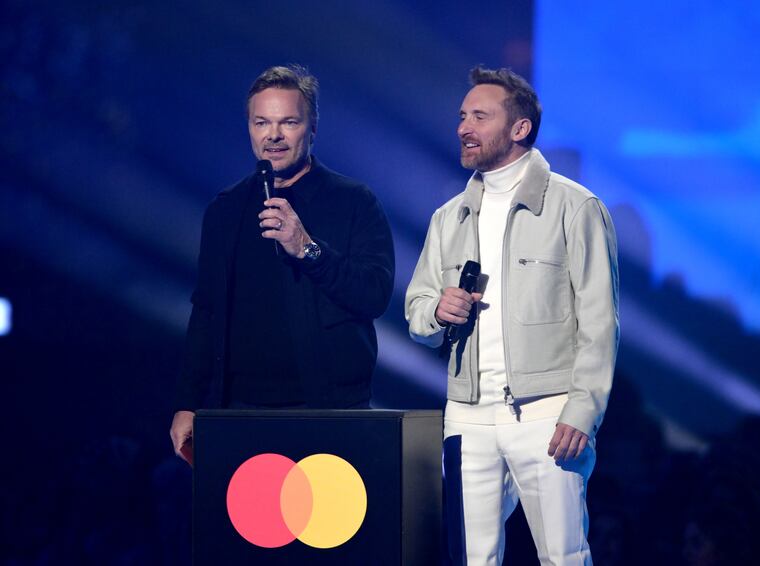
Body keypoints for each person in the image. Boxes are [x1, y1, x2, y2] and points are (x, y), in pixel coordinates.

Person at [405, 67, 618, 565]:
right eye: (462, 116)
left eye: (480, 115)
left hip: (548, 411)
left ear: (519, 128)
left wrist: (582, 410)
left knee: (563, 555)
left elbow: (600, 319)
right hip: (468, 414)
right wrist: (437, 309)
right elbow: (416, 310)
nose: (464, 127)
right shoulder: (448, 216)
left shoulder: (574, 206)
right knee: (470, 558)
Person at [170, 65, 395, 464]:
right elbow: (205, 312)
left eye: (288, 122)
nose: (273, 135)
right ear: (250, 128)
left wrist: (307, 247)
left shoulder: (354, 201)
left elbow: (374, 295)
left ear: (312, 129)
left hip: (330, 414)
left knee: (328, 528)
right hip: (240, 415)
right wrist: (189, 402)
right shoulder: (225, 210)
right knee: (249, 527)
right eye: (262, 122)